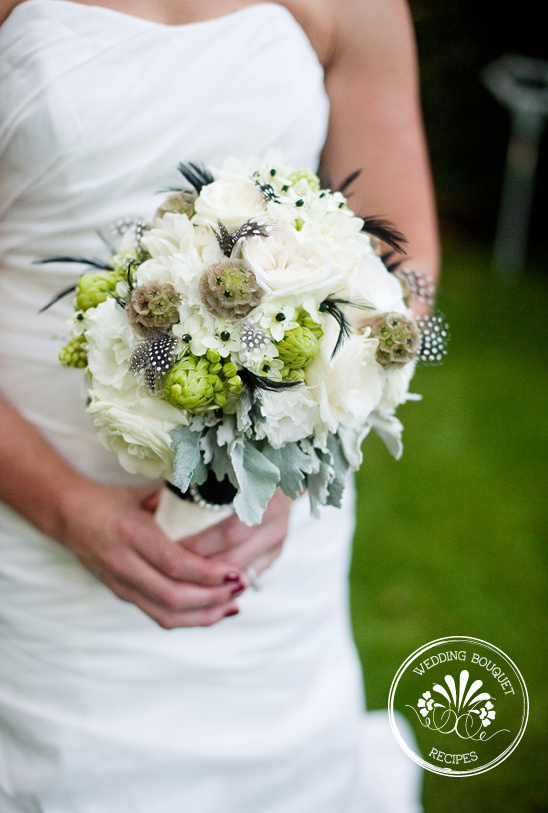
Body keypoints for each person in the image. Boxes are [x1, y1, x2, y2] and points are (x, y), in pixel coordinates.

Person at [0, 1, 438, 810]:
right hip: (28, 517)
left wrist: (302, 446)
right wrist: (62, 508)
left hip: (271, 529)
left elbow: (403, 258)